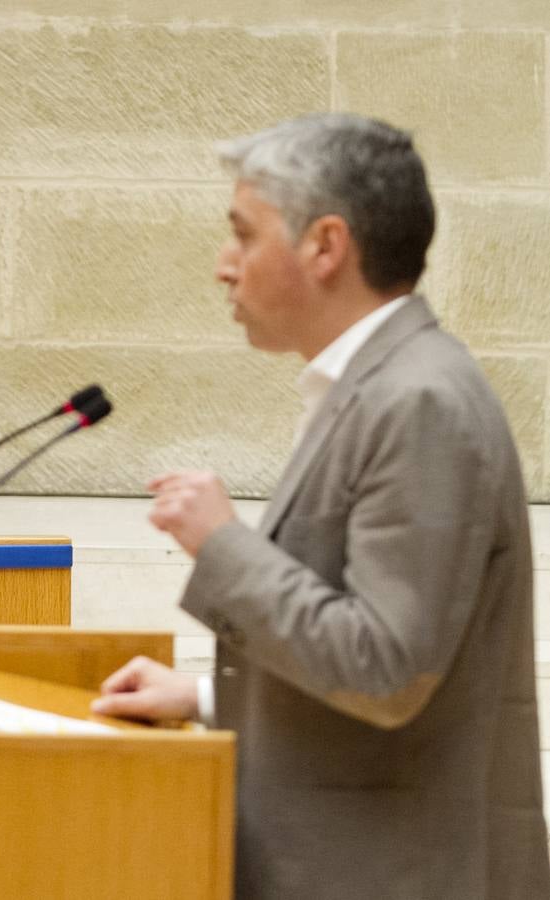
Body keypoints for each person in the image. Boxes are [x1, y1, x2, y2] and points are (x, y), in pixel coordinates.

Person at [90, 114, 549, 898]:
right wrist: (207, 697)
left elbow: (382, 671)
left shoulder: (419, 402)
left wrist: (222, 543)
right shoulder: (378, 385)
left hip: (389, 871)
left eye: (242, 234)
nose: (222, 267)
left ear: (325, 246)